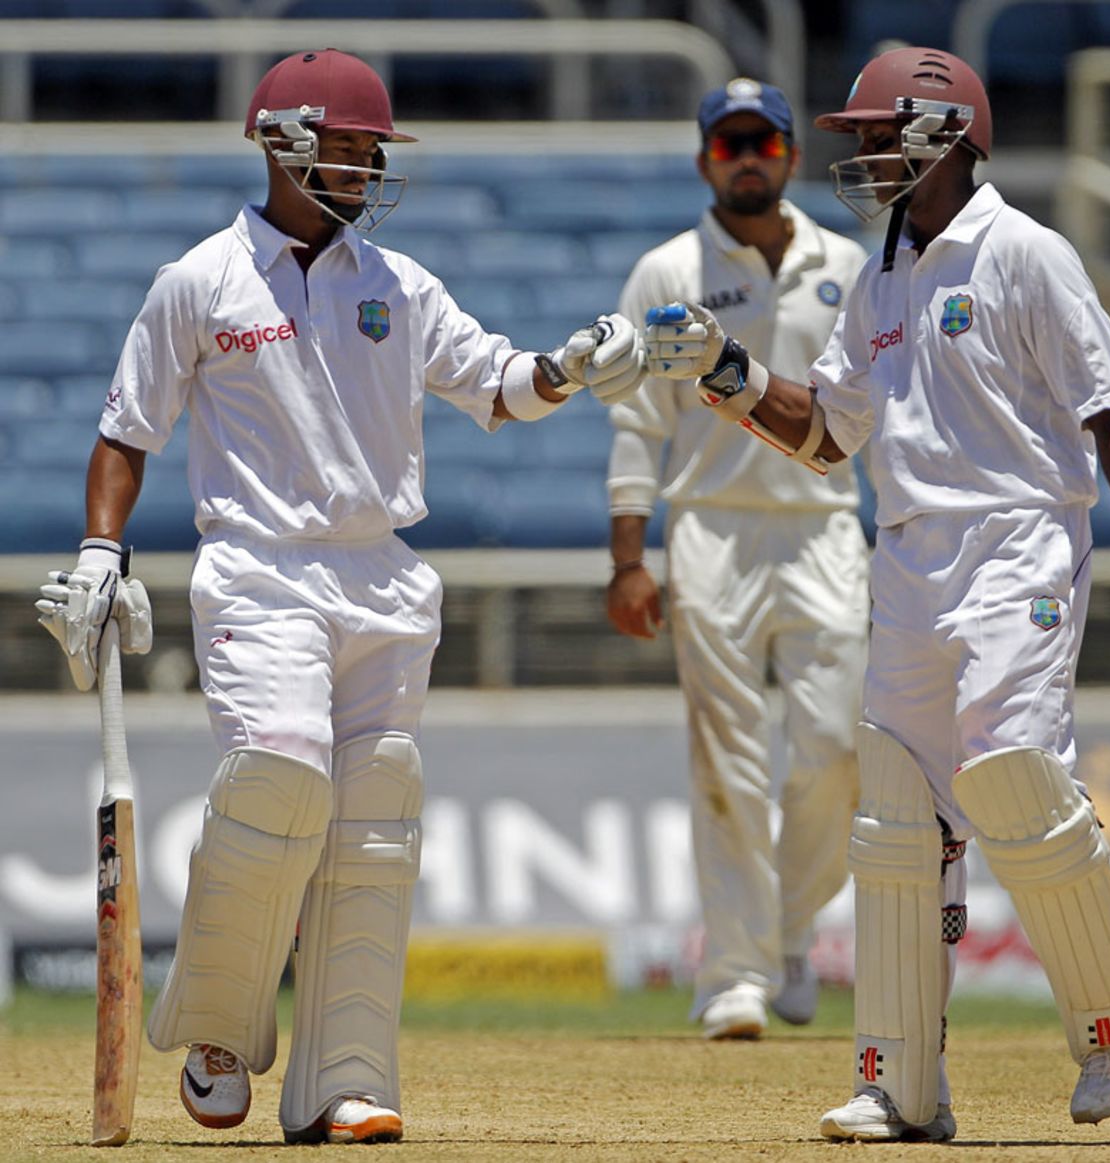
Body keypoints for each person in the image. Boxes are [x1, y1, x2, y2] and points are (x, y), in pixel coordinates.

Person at [35, 48, 645, 1146]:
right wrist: (98, 549)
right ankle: (220, 1025)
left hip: (383, 575)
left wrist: (567, 368)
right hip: (260, 568)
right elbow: (127, 430)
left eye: (375, 151)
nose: (367, 167)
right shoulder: (200, 279)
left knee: (371, 823)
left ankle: (339, 1078)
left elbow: (496, 387)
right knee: (279, 774)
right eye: (352, 148)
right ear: (283, 142)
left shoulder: (399, 286)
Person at [642, 46, 1110, 1140]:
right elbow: (825, 432)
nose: (860, 153)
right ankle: (898, 1081)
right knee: (895, 816)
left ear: (943, 132)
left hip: (1018, 540)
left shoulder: (1025, 252)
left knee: (1011, 771)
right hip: (906, 554)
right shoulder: (878, 272)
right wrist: (725, 370)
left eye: (877, 133)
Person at [605, 78, 870, 1041]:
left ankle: (791, 934)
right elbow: (636, 421)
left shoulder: (849, 262)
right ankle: (736, 974)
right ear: (704, 159)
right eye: (729, 145)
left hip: (825, 524)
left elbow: (866, 410)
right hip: (711, 527)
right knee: (728, 758)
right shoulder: (665, 271)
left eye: (763, 141)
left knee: (835, 750)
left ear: (793, 155)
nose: (748, 157)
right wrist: (630, 558)